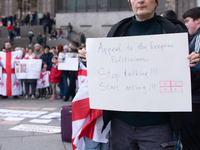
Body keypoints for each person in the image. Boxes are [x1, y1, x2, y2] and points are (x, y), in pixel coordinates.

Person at [78, 0, 199, 149]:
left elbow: (187, 79)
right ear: (130, 3)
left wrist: (193, 65)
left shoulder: (173, 31)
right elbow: (108, 70)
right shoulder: (118, 30)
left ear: (156, 2)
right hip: (121, 125)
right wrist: (89, 60)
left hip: (158, 127)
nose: (140, 1)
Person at [181, 7, 200, 150]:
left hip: (195, 99)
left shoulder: (198, 38)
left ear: (198, 20)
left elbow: (195, 69)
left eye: (187, 21)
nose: (186, 25)